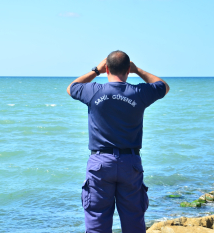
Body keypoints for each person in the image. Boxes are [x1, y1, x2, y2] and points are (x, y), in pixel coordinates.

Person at [67, 50, 169, 233]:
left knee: (97, 222)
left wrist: (95, 71)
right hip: (130, 163)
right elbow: (163, 86)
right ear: (128, 69)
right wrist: (138, 71)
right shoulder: (139, 92)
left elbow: (71, 87)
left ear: (107, 68)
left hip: (100, 163)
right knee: (134, 223)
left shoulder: (94, 91)